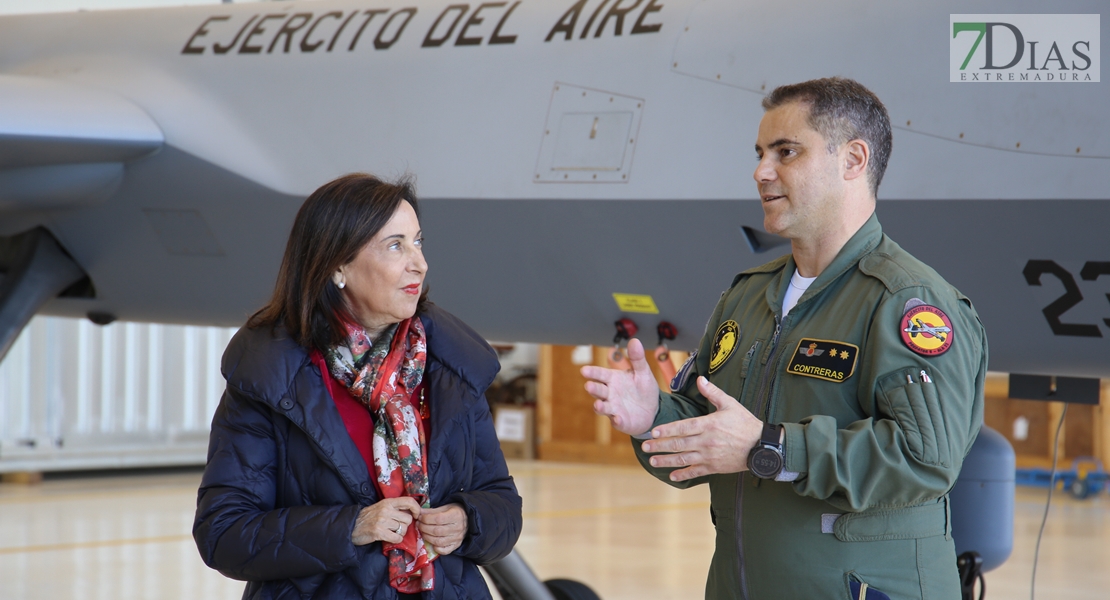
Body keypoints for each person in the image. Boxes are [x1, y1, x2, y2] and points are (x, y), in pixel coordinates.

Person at [582, 78, 987, 599]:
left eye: (786, 152)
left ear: (853, 160)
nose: (760, 172)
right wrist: (652, 418)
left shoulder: (908, 302)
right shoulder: (747, 296)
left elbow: (924, 459)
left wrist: (769, 446)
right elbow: (712, 439)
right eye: (759, 154)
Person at [193, 173, 522, 599]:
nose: (418, 263)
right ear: (338, 266)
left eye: (417, 242)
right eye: (394, 246)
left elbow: (502, 504)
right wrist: (351, 527)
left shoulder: (450, 367)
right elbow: (224, 533)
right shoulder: (269, 376)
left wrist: (467, 519)